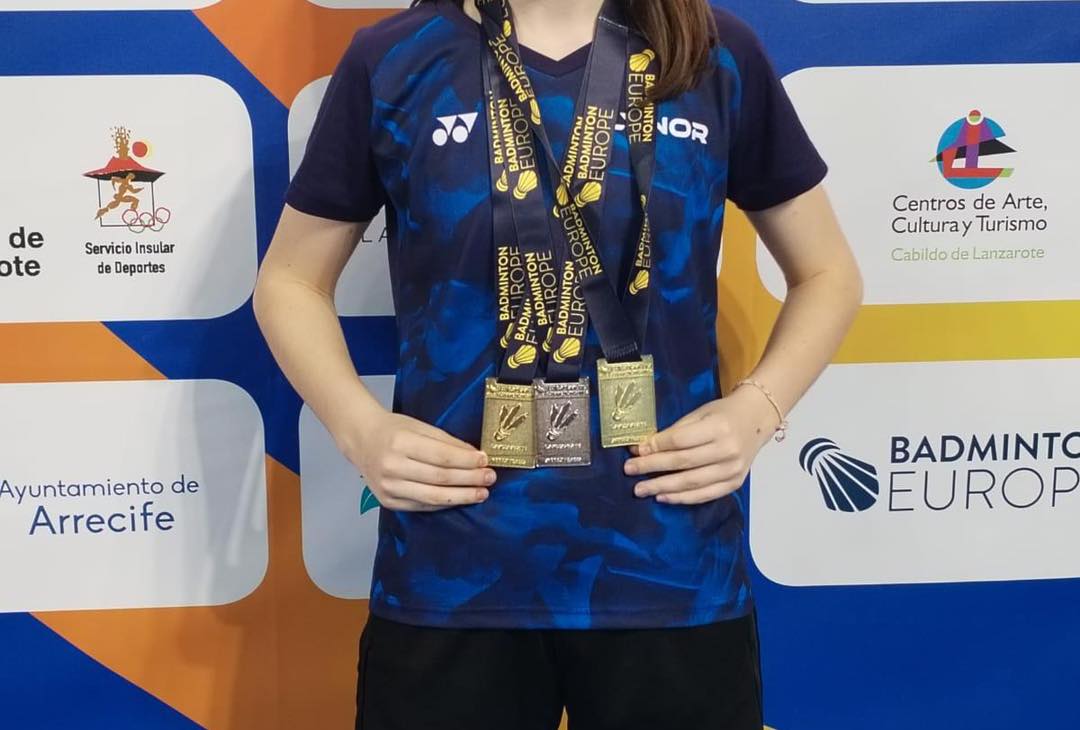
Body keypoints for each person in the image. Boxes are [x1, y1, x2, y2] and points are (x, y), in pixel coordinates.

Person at [254, 0, 863, 728]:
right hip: (454, 565)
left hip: (670, 565)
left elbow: (828, 274)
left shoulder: (710, 52)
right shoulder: (396, 58)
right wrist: (360, 430)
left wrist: (758, 409)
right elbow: (288, 282)